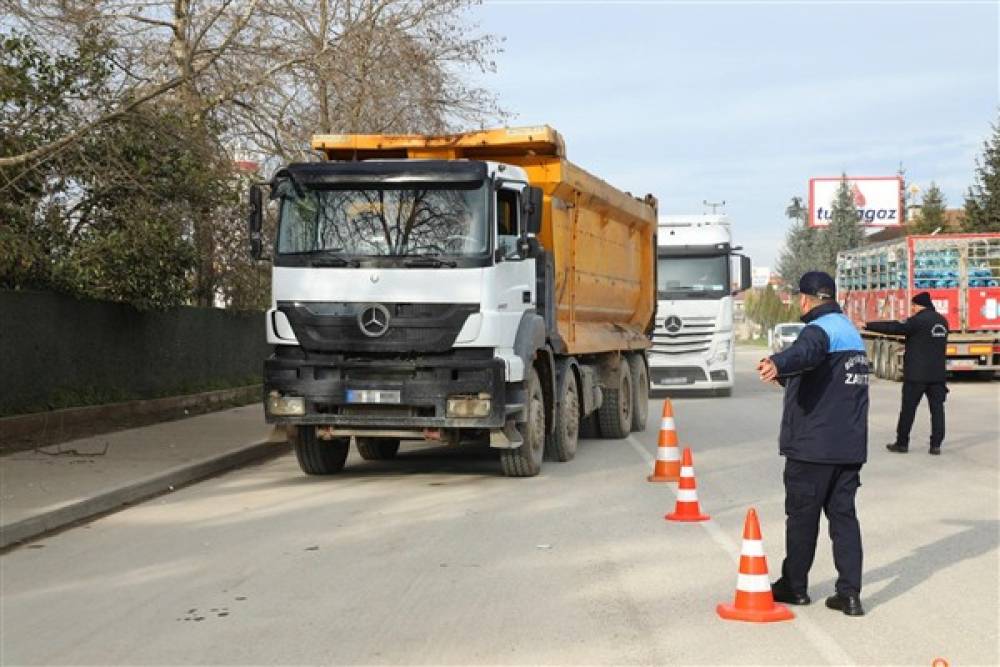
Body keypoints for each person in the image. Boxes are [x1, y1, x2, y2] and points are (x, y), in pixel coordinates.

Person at [757, 271, 870, 617]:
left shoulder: (817, 330)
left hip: (813, 449)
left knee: (802, 518)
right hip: (848, 448)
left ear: (805, 299)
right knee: (844, 520)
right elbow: (821, 375)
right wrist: (784, 374)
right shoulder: (851, 333)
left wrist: (777, 362)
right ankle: (849, 595)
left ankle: (794, 586)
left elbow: (806, 352)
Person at [866, 292, 949, 455]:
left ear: (918, 305)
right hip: (938, 375)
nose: (912, 309)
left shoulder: (917, 321)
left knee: (908, 409)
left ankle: (902, 443)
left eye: (913, 305)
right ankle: (936, 445)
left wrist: (869, 325)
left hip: (916, 375)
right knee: (937, 410)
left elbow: (895, 327)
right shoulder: (942, 321)